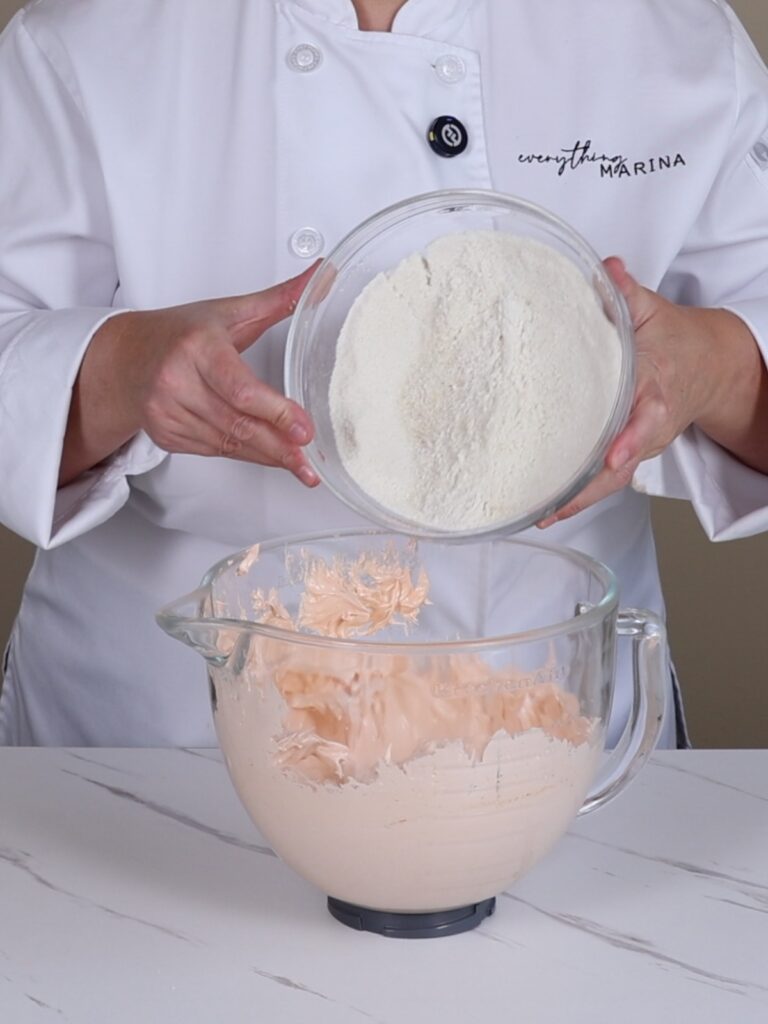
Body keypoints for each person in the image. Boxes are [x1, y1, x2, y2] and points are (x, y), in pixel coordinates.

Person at [1, 0, 768, 748]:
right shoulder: (84, 39)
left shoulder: (675, 37)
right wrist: (119, 371)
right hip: (163, 738)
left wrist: (717, 366)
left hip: (551, 725)